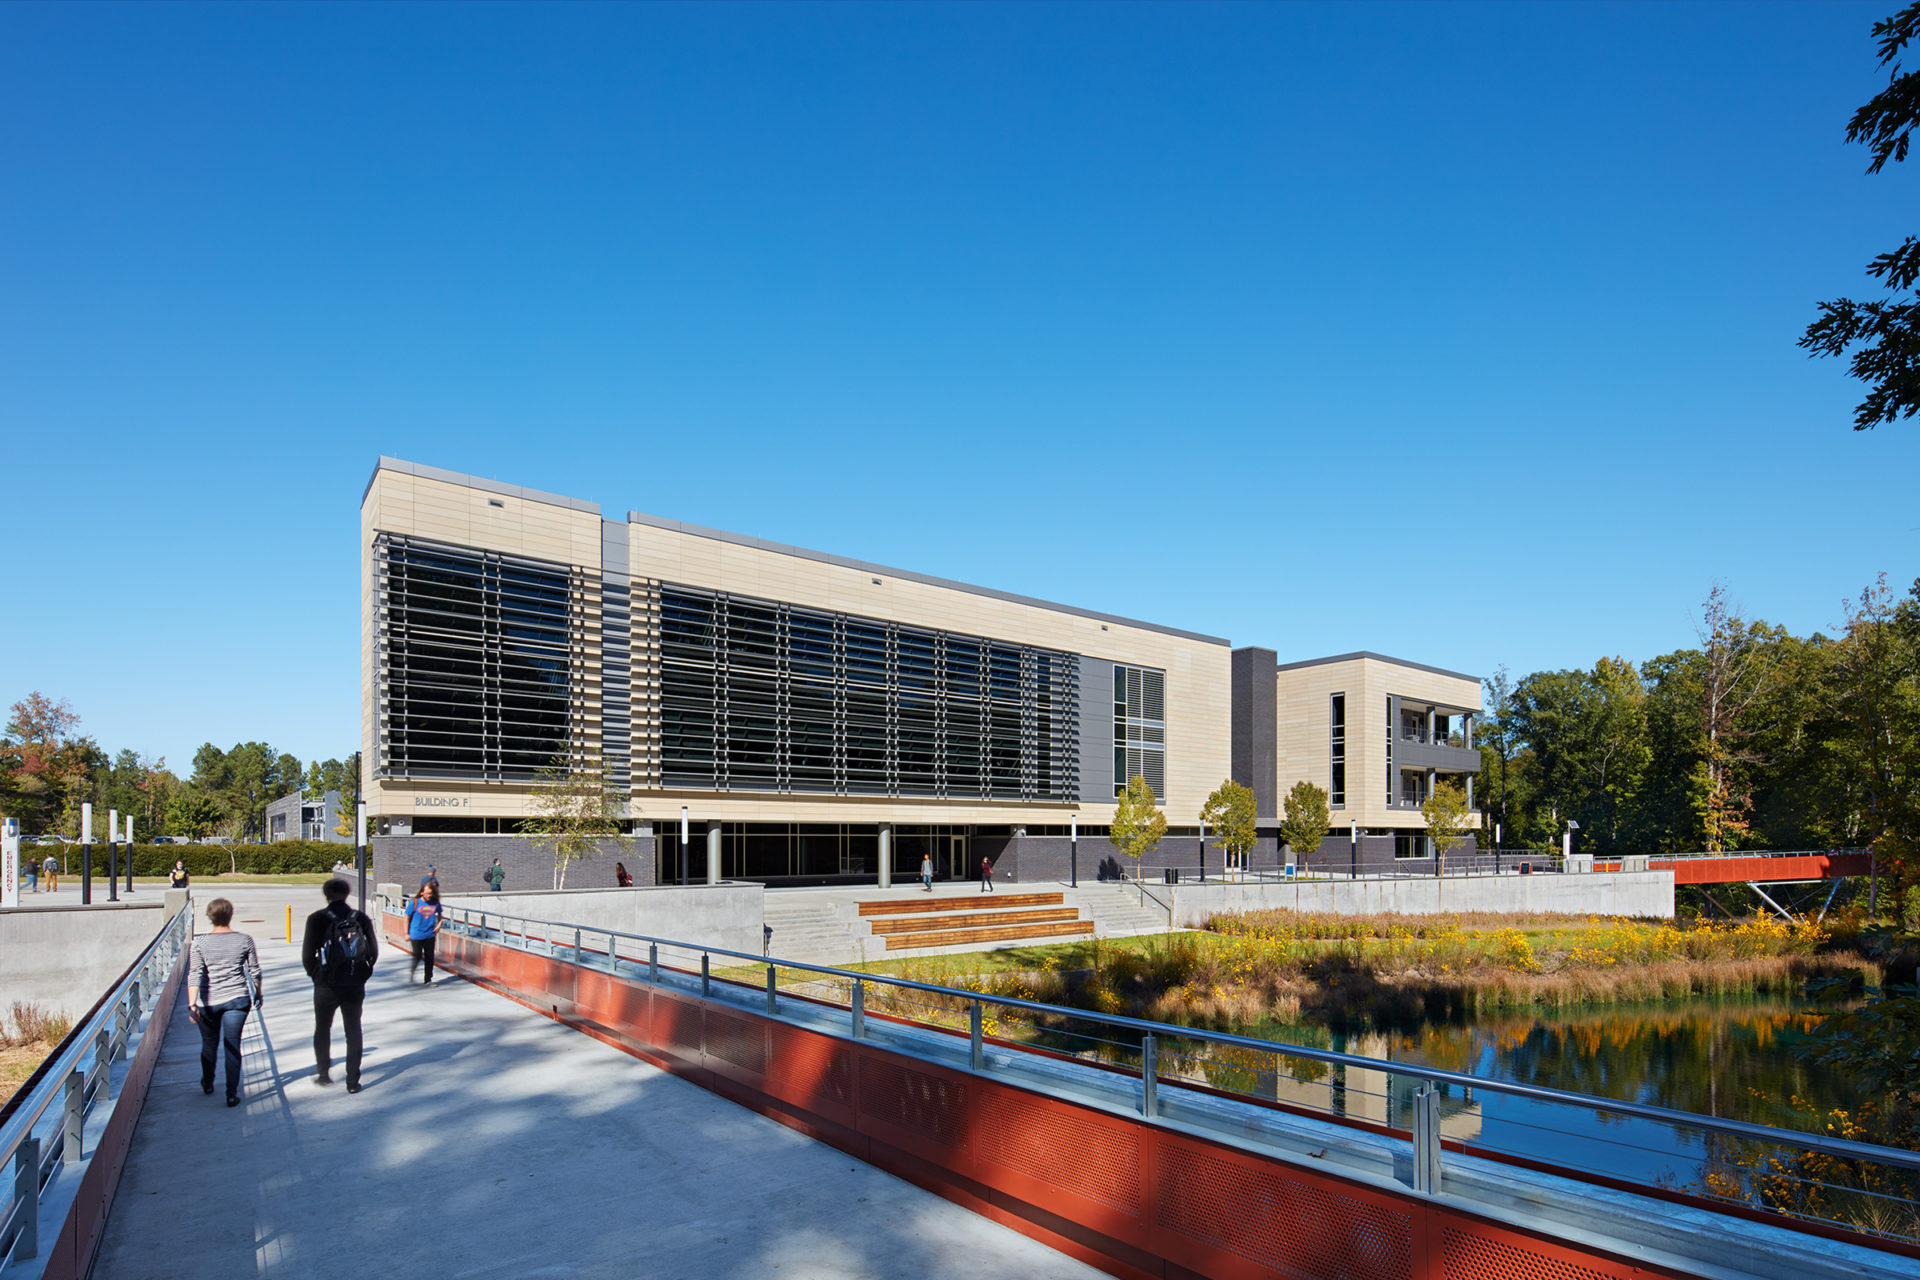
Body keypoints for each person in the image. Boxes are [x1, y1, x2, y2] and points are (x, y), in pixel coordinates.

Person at [302, 878, 377, 1093]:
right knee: (353, 1030)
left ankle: (324, 1074)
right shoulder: (360, 918)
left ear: (326, 895)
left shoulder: (317, 919)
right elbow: (373, 952)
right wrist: (362, 974)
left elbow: (308, 956)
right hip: (354, 983)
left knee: (323, 1028)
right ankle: (352, 1081)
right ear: (347, 894)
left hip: (326, 984)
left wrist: (316, 975)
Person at [188, 897, 261, 1107]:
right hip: (238, 999)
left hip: (208, 1002)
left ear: (210, 917)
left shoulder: (199, 943)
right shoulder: (245, 940)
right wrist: (258, 993)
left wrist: (192, 1004)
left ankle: (208, 1082)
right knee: (232, 1046)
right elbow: (254, 971)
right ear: (231, 915)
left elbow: (195, 974)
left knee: (209, 1044)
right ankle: (231, 1094)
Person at [406, 882, 443, 985]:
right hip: (416, 934)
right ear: (422, 893)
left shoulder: (435, 903)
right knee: (417, 955)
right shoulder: (414, 903)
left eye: (430, 893)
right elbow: (406, 917)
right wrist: (406, 932)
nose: (429, 895)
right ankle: (412, 972)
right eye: (427, 893)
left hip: (430, 934)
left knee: (429, 957)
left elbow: (440, 914)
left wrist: (439, 924)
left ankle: (428, 979)